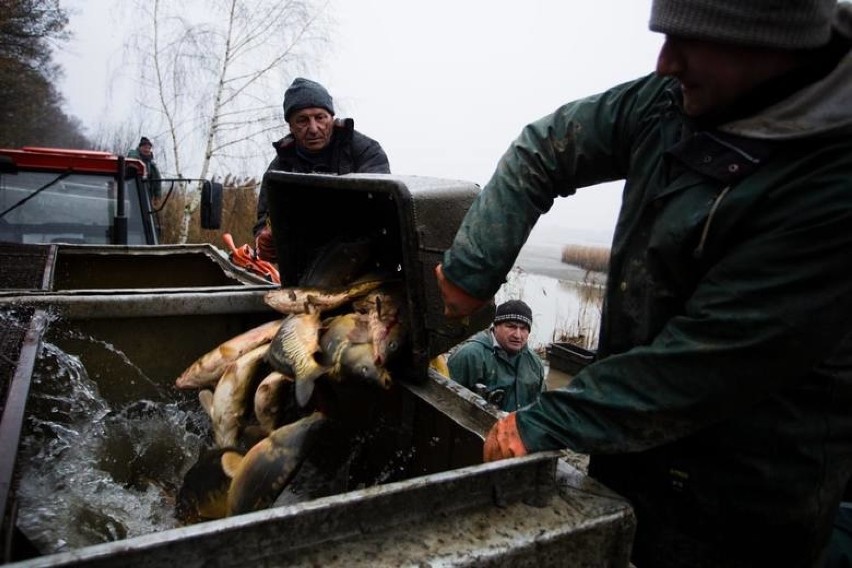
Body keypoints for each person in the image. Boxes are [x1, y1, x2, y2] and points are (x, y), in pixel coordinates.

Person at [434, 1, 852, 566]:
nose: (663, 62)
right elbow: (547, 146)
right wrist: (470, 272)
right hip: (627, 449)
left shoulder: (831, 186)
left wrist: (551, 418)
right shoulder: (669, 99)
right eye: (665, 35)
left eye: (690, 43)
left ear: (770, 45)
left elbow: (706, 367)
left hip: (746, 498)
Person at [254, 77, 390, 262]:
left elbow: (382, 210)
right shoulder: (280, 168)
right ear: (290, 126)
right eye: (302, 120)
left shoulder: (366, 152)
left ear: (331, 118)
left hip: (367, 260)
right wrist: (264, 239)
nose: (313, 128)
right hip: (305, 266)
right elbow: (265, 220)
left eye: (320, 117)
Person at [447, 299, 545, 411]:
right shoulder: (470, 355)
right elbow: (446, 402)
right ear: (496, 326)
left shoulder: (535, 363)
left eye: (523, 328)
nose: (518, 335)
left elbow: (541, 408)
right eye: (511, 326)